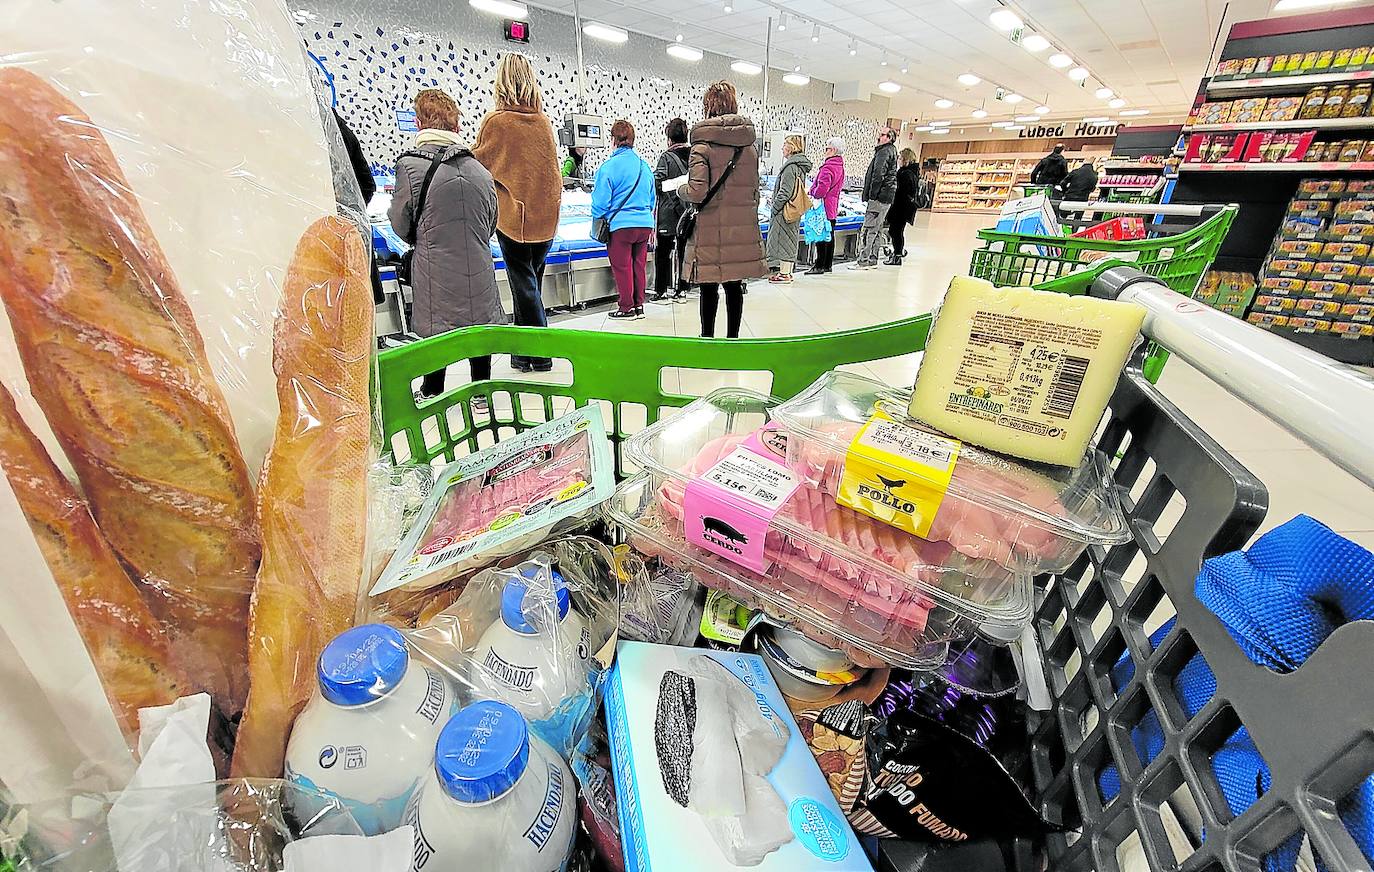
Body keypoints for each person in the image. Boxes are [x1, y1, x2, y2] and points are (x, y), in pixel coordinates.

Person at [389, 89, 502, 408]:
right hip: (479, 263)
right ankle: (481, 392)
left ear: (419, 122)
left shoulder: (410, 167)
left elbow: (400, 222)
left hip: (434, 264)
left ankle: (432, 389)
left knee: (437, 327)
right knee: (477, 328)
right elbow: (491, 221)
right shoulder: (479, 170)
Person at [473, 53, 562, 373]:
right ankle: (520, 354)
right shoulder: (543, 122)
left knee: (524, 286)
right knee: (530, 284)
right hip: (546, 219)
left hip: (515, 220)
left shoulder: (497, 122)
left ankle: (542, 353)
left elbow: (476, 164)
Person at [678, 80, 766, 338]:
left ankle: (708, 341)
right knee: (734, 285)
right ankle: (733, 341)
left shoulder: (702, 146)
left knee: (708, 287)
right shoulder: (749, 148)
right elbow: (754, 192)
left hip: (709, 227)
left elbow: (697, 191)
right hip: (739, 228)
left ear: (708, 107)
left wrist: (680, 189)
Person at [592, 120, 656, 319]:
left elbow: (600, 202)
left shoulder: (608, 167)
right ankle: (639, 306)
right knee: (638, 265)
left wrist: (598, 217)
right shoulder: (644, 166)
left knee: (623, 267)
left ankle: (626, 307)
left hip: (621, 226)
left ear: (613, 140)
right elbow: (652, 198)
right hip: (644, 224)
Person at [650, 118, 692, 303]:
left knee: (663, 253)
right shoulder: (694, 156)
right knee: (684, 252)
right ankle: (682, 290)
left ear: (669, 138)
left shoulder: (666, 157)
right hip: (688, 212)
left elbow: (657, 182)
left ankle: (661, 291)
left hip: (668, 214)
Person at [764, 134, 813, 284]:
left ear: (791, 147)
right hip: (794, 209)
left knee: (784, 240)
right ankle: (787, 272)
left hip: (785, 210)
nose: (782, 148)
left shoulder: (790, 167)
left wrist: (774, 208)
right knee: (790, 239)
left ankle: (784, 274)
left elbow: (785, 191)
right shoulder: (799, 166)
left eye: (784, 144)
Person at [851, 126, 897, 270]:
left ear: (889, 138)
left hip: (878, 198)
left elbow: (878, 175)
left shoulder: (883, 152)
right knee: (877, 229)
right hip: (886, 198)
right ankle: (872, 259)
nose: (879, 137)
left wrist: (872, 195)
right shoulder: (892, 151)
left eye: (882, 135)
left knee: (869, 229)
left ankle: (863, 260)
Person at [805, 137, 845, 275]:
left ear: (833, 150)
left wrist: (812, 192)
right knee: (830, 235)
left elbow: (822, 189)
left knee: (821, 236)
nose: (825, 151)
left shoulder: (828, 167)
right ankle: (827, 264)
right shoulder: (840, 166)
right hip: (832, 207)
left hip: (823, 207)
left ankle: (819, 265)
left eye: (827, 148)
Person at [884, 148, 920, 267]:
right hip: (905, 209)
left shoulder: (904, 174)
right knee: (897, 231)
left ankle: (897, 256)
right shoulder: (913, 173)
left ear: (905, 159)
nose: (898, 160)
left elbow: (899, 193)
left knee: (895, 231)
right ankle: (898, 252)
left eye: (900, 158)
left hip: (900, 208)